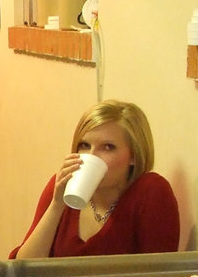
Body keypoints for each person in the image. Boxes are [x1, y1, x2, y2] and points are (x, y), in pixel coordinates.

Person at [10, 99, 179, 259]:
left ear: (133, 156)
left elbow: (158, 275)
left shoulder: (150, 191)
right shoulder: (62, 184)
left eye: (107, 147)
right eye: (84, 145)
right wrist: (56, 205)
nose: (91, 156)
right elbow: (24, 269)